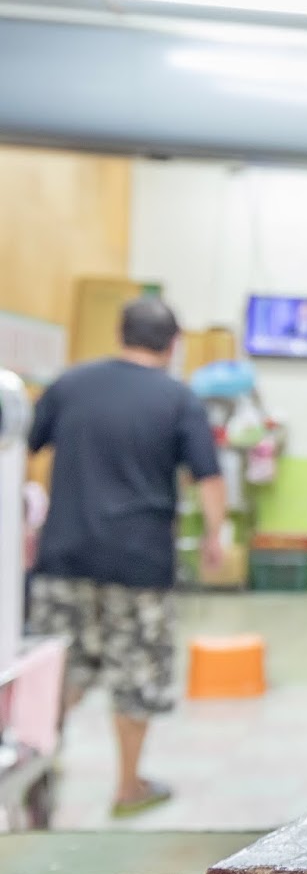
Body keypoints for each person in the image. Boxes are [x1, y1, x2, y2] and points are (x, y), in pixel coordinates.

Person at [26, 296, 226, 818]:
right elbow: (208, 476)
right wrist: (214, 536)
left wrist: (23, 521)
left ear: (120, 333)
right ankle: (128, 784)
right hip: (140, 563)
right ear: (173, 344)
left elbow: (21, 448)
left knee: (60, 671)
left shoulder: (69, 385)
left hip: (64, 554)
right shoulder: (179, 399)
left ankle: (38, 769)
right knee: (136, 676)